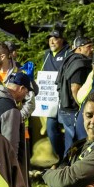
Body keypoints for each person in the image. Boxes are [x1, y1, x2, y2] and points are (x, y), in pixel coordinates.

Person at [0, 71, 33, 175]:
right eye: (26, 92)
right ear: (21, 89)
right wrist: (12, 171)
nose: (25, 96)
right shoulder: (10, 110)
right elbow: (10, 146)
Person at [57, 35, 94, 154]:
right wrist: (82, 107)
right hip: (72, 109)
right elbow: (75, 88)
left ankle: (67, 168)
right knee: (75, 144)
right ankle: (69, 169)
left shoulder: (69, 59)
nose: (92, 49)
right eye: (88, 47)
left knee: (70, 141)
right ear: (79, 48)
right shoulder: (79, 63)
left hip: (65, 108)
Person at [41, 27, 70, 160]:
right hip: (50, 101)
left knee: (69, 130)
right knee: (51, 129)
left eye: (55, 38)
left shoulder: (68, 53)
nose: (52, 41)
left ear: (62, 40)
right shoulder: (46, 54)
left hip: (64, 98)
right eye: (50, 39)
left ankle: (69, 158)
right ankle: (60, 157)